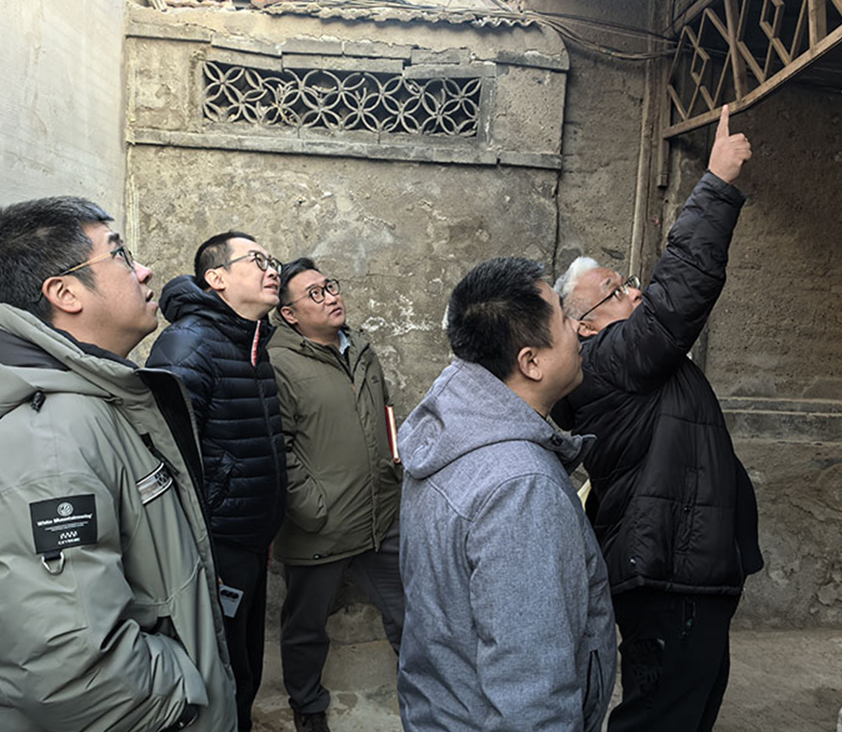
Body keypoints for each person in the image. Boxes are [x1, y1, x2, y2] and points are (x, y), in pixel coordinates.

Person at [552, 105, 763, 732]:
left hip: (686, 564)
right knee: (660, 716)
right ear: (583, 325)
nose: (635, 292)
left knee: (688, 708)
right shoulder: (605, 361)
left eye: (630, 282)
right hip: (668, 568)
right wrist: (715, 185)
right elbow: (676, 299)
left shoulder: (629, 357)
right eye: (616, 291)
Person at [0, 197, 236, 731]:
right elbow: (71, 670)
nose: (144, 270)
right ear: (65, 293)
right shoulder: (53, 436)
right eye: (121, 255)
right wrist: (184, 697)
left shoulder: (98, 400)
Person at [397, 256, 617, 732]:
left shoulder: (450, 431)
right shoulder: (521, 488)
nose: (577, 328)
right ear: (531, 362)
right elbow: (532, 692)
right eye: (563, 319)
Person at [147, 231, 287, 732]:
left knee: (244, 667)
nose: (272, 270)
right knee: (222, 674)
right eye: (257, 260)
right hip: (215, 547)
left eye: (272, 261)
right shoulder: (188, 343)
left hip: (248, 540)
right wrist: (201, 552)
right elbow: (165, 460)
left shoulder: (251, 341)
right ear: (217, 278)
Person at [268, 257, 404, 732]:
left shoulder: (360, 348)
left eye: (330, 287)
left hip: (380, 515)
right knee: (305, 628)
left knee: (410, 612)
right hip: (319, 526)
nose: (331, 297)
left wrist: (393, 466)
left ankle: (426, 690)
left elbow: (384, 412)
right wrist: (312, 507)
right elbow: (277, 447)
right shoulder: (278, 364)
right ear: (289, 314)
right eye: (315, 294)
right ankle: (307, 707)